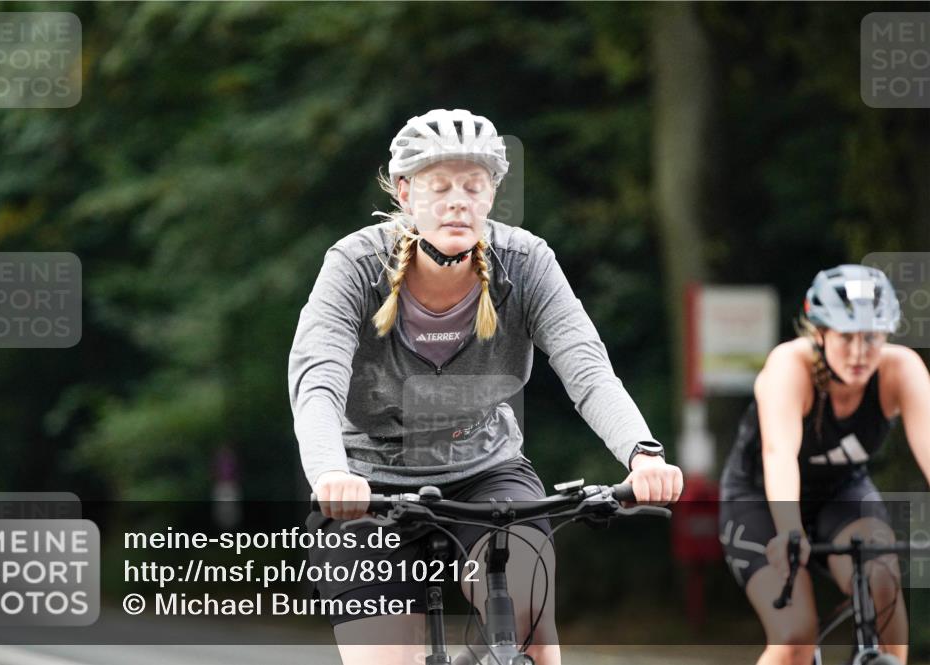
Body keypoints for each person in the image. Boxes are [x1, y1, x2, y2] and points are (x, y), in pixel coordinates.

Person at [288, 108, 683, 665]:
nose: (457, 202)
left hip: (486, 473)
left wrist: (642, 454)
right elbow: (317, 382)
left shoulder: (525, 263)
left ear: (491, 194)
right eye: (439, 186)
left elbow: (587, 367)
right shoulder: (355, 266)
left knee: (528, 617)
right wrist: (331, 473)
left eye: (473, 187)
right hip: (367, 485)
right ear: (405, 192)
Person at [719, 265, 930, 665]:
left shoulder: (901, 370)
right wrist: (790, 531)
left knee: (882, 579)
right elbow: (779, 453)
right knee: (796, 636)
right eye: (846, 337)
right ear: (819, 333)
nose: (859, 352)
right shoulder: (789, 367)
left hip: (841, 492)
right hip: (762, 499)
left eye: (872, 337)